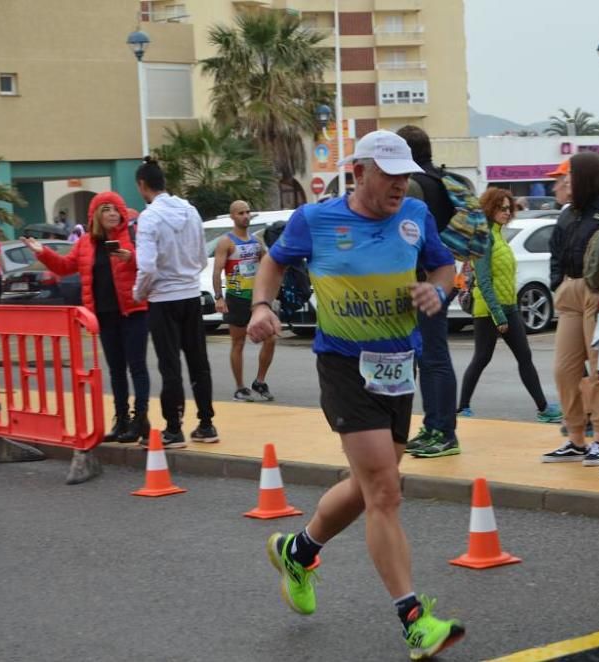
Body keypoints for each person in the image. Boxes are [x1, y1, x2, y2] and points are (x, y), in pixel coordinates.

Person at [247, 130, 465, 660]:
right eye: (388, 173)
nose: (399, 184)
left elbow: (445, 267)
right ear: (360, 172)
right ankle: (415, 621)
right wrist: (260, 306)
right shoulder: (315, 220)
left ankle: (298, 552)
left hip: (398, 367)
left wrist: (437, 290)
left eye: (404, 174)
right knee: (386, 494)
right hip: (345, 365)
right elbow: (274, 263)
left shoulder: (415, 216)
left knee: (371, 483)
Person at [23, 192, 151, 443]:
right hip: (104, 315)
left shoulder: (133, 237)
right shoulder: (84, 243)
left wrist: (131, 257)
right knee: (115, 369)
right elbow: (64, 267)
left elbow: (151, 265)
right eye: (106, 210)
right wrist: (43, 253)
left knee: (137, 367)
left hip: (134, 311)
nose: (113, 214)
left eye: (116, 209)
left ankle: (140, 420)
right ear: (95, 215)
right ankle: (121, 419)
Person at [542, 152, 599, 466]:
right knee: (564, 369)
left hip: (598, 293)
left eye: (570, 175)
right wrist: (556, 283)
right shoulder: (567, 214)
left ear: (586, 177)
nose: (564, 181)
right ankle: (575, 438)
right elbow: (555, 250)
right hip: (570, 292)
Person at [457, 187, 562, 423]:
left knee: (524, 356)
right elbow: (484, 281)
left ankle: (543, 408)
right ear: (490, 209)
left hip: (509, 306)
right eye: (501, 208)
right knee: (481, 357)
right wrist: (498, 315)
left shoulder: (500, 236)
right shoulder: (483, 239)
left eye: (508, 208)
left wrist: (507, 310)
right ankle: (462, 407)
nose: (506, 212)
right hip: (489, 310)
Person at [133, 157, 218, 448]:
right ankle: (206, 424)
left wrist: (139, 292)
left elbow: (147, 266)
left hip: (162, 298)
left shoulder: (149, 217)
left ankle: (173, 428)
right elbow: (198, 255)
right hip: (190, 293)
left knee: (169, 364)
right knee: (199, 361)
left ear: (142, 185)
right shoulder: (190, 210)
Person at [396, 125, 461, 458]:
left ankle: (443, 431)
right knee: (430, 354)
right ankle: (435, 425)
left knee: (432, 357)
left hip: (424, 280)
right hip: (441, 276)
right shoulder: (440, 180)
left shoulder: (415, 186)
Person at [213, 200, 276, 402]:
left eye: (248, 212)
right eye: (241, 213)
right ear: (232, 216)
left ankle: (259, 381)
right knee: (238, 343)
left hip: (256, 299)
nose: (245, 216)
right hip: (237, 298)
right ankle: (240, 387)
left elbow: (269, 264)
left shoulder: (257, 242)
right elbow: (216, 271)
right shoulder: (226, 242)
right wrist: (219, 297)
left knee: (271, 338)